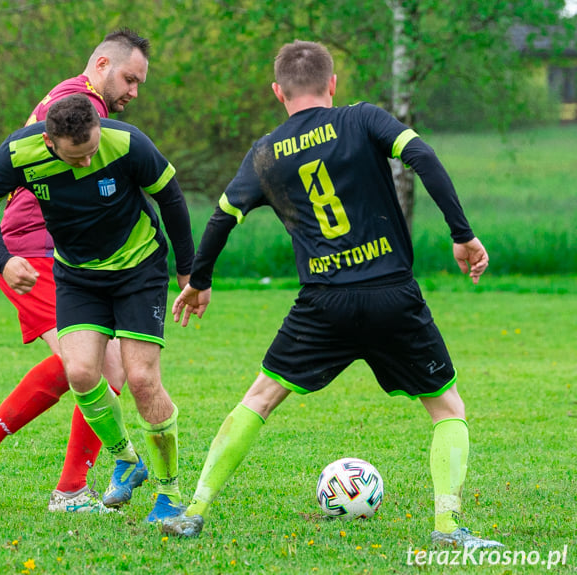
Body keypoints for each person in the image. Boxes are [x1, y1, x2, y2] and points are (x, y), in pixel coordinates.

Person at [162, 41, 502, 549]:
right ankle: (448, 527)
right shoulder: (362, 119)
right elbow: (422, 157)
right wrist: (462, 234)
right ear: (333, 83)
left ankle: (194, 511)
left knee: (260, 398)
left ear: (278, 92)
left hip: (323, 303)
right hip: (391, 295)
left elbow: (221, 217)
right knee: (448, 410)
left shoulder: (265, 152)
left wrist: (200, 279)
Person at [0, 93, 195, 523]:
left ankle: (170, 494)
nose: (87, 163)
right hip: (77, 275)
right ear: (51, 143)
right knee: (81, 373)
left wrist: (189, 273)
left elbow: (172, 199)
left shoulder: (127, 143)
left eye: (92, 151)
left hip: (138, 269)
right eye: (76, 157)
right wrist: (3, 257)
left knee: (142, 379)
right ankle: (126, 459)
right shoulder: (19, 152)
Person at [0, 29, 153, 514]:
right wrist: (4, 254)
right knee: (90, 366)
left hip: (54, 248)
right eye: (129, 78)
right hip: (33, 246)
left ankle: (66, 488)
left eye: (140, 83)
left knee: (96, 368)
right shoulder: (78, 107)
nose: (134, 91)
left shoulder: (80, 102)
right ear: (102, 64)